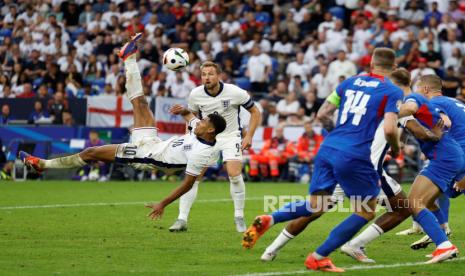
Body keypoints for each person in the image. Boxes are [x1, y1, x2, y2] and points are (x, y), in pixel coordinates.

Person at [20, 34, 227, 218]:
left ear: (210, 130)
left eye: (205, 122)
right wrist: (182, 111)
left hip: (146, 157)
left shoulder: (202, 152)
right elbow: (190, 117)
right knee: (141, 102)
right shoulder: (198, 129)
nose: (200, 121)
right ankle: (129, 57)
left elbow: (188, 184)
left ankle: (43, 165)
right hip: (153, 143)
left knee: (92, 152)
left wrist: (162, 203)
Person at [242, 48, 403, 272]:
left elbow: (322, 114)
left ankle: (271, 217)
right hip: (355, 154)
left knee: (316, 205)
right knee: (366, 210)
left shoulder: (348, 83)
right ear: (393, 68)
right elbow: (389, 128)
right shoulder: (392, 90)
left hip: (328, 147)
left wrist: (338, 135)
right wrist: (395, 148)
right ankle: (318, 256)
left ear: (371, 64)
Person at [168, 60, 262, 233]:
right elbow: (191, 117)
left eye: (211, 74)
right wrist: (190, 139)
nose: (207, 77)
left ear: (218, 75)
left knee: (234, 174)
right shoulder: (195, 94)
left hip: (230, 136)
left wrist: (249, 136)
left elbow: (255, 112)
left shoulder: (234, 92)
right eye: (204, 74)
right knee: (194, 177)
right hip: (207, 138)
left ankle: (239, 216)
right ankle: (181, 219)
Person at [395, 74, 464, 263]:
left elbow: (446, 123)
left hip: (453, 155)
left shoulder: (434, 102)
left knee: (418, 200)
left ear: (425, 89)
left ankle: (443, 242)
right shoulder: (454, 101)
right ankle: (442, 235)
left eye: (419, 88)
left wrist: (436, 137)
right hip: (454, 154)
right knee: (431, 197)